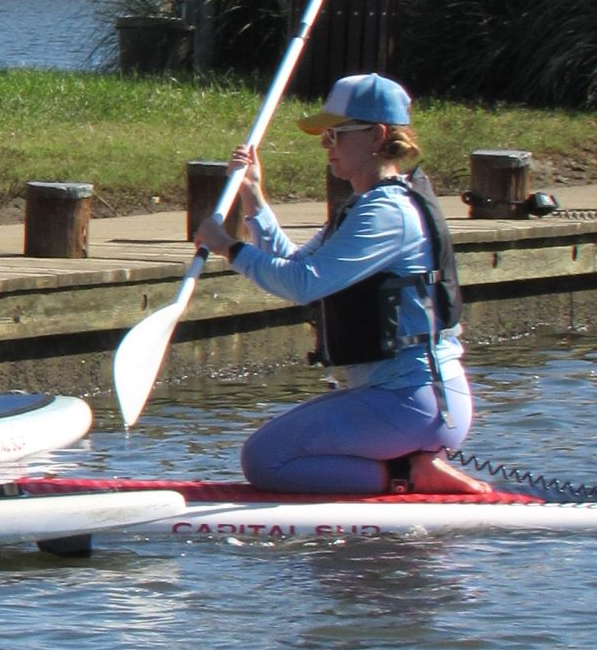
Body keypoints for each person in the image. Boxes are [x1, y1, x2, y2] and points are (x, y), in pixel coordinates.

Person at [194, 72, 480, 495]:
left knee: (265, 460)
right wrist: (254, 196)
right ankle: (409, 466)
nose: (325, 145)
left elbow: (303, 284)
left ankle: (407, 474)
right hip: (396, 398)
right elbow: (294, 263)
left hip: (414, 402)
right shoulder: (365, 207)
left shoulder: (387, 215)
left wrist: (230, 249)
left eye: (336, 134)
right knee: (268, 454)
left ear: (378, 136)